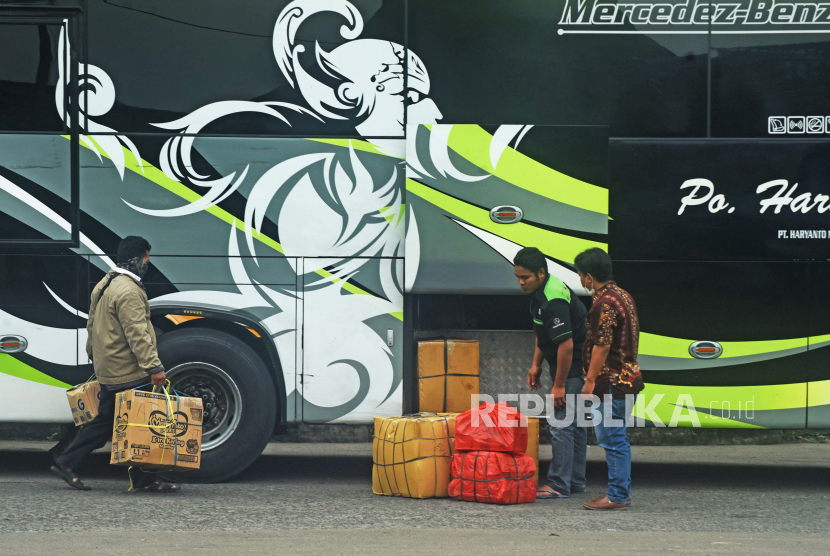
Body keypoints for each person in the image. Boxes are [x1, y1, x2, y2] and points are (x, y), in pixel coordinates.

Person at [51, 236, 179, 493]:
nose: (148, 263)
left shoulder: (105, 283)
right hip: (127, 370)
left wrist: (94, 357)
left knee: (107, 421)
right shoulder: (129, 291)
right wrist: (154, 367)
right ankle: (144, 479)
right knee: (143, 422)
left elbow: (91, 325)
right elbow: (137, 333)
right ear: (136, 260)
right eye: (146, 258)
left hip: (111, 367)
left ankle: (66, 462)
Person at [514, 247, 588, 500]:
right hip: (572, 365)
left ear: (541, 273)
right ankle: (575, 482)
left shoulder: (553, 299)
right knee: (575, 426)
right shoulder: (541, 292)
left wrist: (559, 385)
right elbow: (543, 332)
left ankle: (559, 484)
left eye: (526, 277)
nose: (521, 282)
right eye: (518, 277)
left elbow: (565, 345)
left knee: (561, 424)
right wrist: (536, 365)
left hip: (574, 366)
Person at [575, 247, 644, 511]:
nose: (581, 280)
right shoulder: (623, 296)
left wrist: (590, 380)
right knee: (617, 437)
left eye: (581, 275)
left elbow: (602, 346)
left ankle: (616, 496)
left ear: (589, 277)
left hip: (610, 384)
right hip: (627, 379)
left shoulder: (603, 303)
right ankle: (620, 491)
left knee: (613, 439)